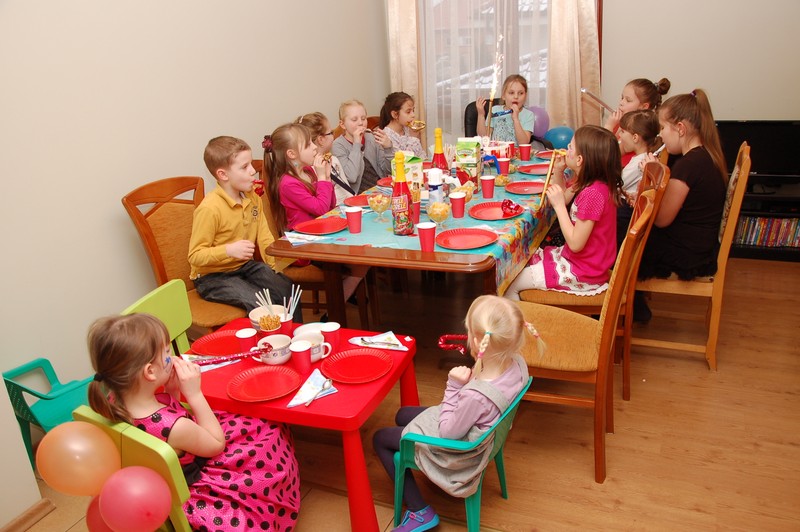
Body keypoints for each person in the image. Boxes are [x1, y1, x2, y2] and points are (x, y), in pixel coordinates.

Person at [87, 313, 300, 530]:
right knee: (268, 430)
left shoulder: (113, 401)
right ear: (150, 372)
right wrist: (194, 394)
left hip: (166, 475)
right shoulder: (175, 427)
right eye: (167, 352)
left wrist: (171, 392)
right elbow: (216, 444)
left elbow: (168, 427)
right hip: (196, 490)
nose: (173, 356)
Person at [372, 295, 535, 532]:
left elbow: (448, 432)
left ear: (478, 342)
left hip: (459, 450)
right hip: (487, 434)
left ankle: (419, 510)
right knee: (403, 414)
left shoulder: (476, 396)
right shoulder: (517, 362)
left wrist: (454, 385)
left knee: (380, 438)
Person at [634, 89, 728, 321]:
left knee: (621, 234)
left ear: (680, 129)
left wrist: (651, 179)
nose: (661, 135)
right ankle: (634, 305)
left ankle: (626, 307)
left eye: (663, 128)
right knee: (626, 220)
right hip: (698, 243)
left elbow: (661, 220)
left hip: (688, 253)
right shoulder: (705, 156)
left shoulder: (688, 165)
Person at [188, 136, 300, 322]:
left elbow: (264, 237)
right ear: (223, 174)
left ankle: (296, 335)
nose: (253, 170)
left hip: (244, 266)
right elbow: (195, 256)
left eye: (251, 164)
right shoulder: (209, 209)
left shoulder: (252, 197)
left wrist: (276, 269)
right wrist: (228, 250)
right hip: (212, 277)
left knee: (286, 288)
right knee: (259, 303)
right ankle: (272, 339)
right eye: (244, 167)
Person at [505, 125, 623, 300]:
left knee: (510, 284)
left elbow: (575, 243)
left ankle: (522, 317)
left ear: (580, 160)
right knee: (521, 262)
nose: (566, 149)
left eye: (570, 147)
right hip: (583, 261)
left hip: (583, 271)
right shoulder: (589, 182)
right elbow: (565, 196)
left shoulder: (593, 194)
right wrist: (559, 171)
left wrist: (560, 207)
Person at [264, 122, 367, 301]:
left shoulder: (308, 171)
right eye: (308, 145)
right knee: (360, 263)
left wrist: (325, 177)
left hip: (321, 235)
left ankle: (341, 298)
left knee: (363, 254)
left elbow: (329, 206)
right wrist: (322, 179)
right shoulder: (287, 183)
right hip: (305, 245)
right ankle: (336, 306)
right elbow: (320, 209)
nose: (314, 147)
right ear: (292, 154)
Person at [616, 109, 662, 247]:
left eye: (622, 131)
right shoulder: (641, 158)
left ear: (635, 137)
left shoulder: (639, 162)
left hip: (624, 217)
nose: (619, 135)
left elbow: (616, 185)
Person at [332, 99, 395, 194]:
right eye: (354, 120)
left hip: (381, 190)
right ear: (342, 124)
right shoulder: (338, 145)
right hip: (358, 195)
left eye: (363, 118)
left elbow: (388, 170)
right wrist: (357, 144)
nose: (360, 123)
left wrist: (388, 148)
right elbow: (352, 177)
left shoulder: (370, 138)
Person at [604, 77, 670, 166]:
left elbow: (605, 154)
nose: (621, 103)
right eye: (622, 98)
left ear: (644, 107)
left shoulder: (635, 131)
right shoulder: (619, 124)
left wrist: (608, 126)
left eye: (628, 100)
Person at [296, 111, 356, 205]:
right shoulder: (309, 172)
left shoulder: (333, 160)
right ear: (321, 140)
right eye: (331, 132)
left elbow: (347, 190)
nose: (333, 135)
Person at [476, 74, 535, 147]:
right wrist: (481, 115)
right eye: (511, 93)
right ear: (503, 96)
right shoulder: (494, 110)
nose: (516, 96)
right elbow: (484, 137)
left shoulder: (528, 115)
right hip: (497, 151)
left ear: (525, 96)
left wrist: (516, 119)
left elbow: (524, 143)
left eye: (521, 93)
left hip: (517, 153)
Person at [377, 92, 427, 159]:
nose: (413, 115)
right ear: (395, 114)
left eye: (413, 110)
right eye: (408, 112)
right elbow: (404, 160)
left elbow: (422, 157)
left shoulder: (408, 129)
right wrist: (413, 137)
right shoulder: (386, 137)